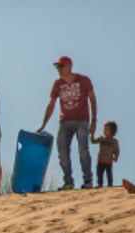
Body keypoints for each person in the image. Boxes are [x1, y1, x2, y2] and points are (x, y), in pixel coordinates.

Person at [37, 56, 97, 190]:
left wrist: (94, 121)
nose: (59, 69)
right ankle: (68, 182)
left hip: (82, 120)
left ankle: (88, 180)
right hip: (65, 121)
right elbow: (51, 105)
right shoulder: (57, 84)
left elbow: (92, 100)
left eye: (62, 66)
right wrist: (43, 124)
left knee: (83, 150)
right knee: (62, 152)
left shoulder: (83, 80)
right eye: (57, 67)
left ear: (70, 66)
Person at [91, 121, 119, 188]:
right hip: (100, 160)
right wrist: (92, 134)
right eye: (104, 129)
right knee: (99, 173)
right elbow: (93, 141)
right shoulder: (101, 139)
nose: (104, 131)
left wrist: (116, 157)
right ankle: (100, 184)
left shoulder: (114, 141)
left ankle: (110, 184)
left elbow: (117, 151)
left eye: (106, 129)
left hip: (108, 161)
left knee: (109, 174)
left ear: (112, 131)